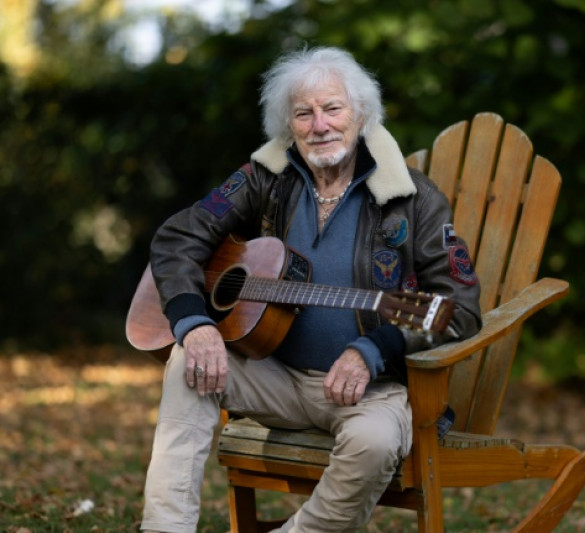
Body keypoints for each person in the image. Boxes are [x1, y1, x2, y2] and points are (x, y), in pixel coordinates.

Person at [140, 46, 481, 533]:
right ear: (289, 126)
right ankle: (165, 528)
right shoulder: (265, 178)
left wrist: (376, 347)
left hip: (370, 391)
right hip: (274, 375)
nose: (320, 125)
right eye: (304, 113)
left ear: (361, 115)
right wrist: (194, 323)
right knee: (186, 365)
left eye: (333, 109)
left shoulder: (415, 200)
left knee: (377, 443)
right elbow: (178, 237)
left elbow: (460, 306)